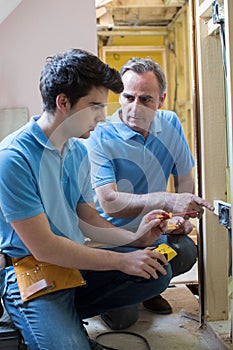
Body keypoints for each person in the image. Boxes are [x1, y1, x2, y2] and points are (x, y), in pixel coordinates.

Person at [0, 49, 182, 350]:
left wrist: (136, 239)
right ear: (63, 103)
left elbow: (89, 219)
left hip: (74, 264)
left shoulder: (76, 151)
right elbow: (44, 247)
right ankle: (42, 321)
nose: (103, 116)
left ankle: (63, 319)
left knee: (155, 271)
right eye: (95, 106)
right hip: (31, 272)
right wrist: (122, 260)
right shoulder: (13, 158)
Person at [85, 57, 214, 328]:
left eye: (146, 99)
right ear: (119, 96)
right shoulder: (100, 135)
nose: (135, 108)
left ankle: (149, 288)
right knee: (124, 320)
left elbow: (184, 179)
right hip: (113, 241)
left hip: (155, 234)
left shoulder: (170, 123)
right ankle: (126, 292)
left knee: (186, 250)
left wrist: (183, 217)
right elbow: (109, 202)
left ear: (161, 99)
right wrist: (166, 199)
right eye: (128, 97)